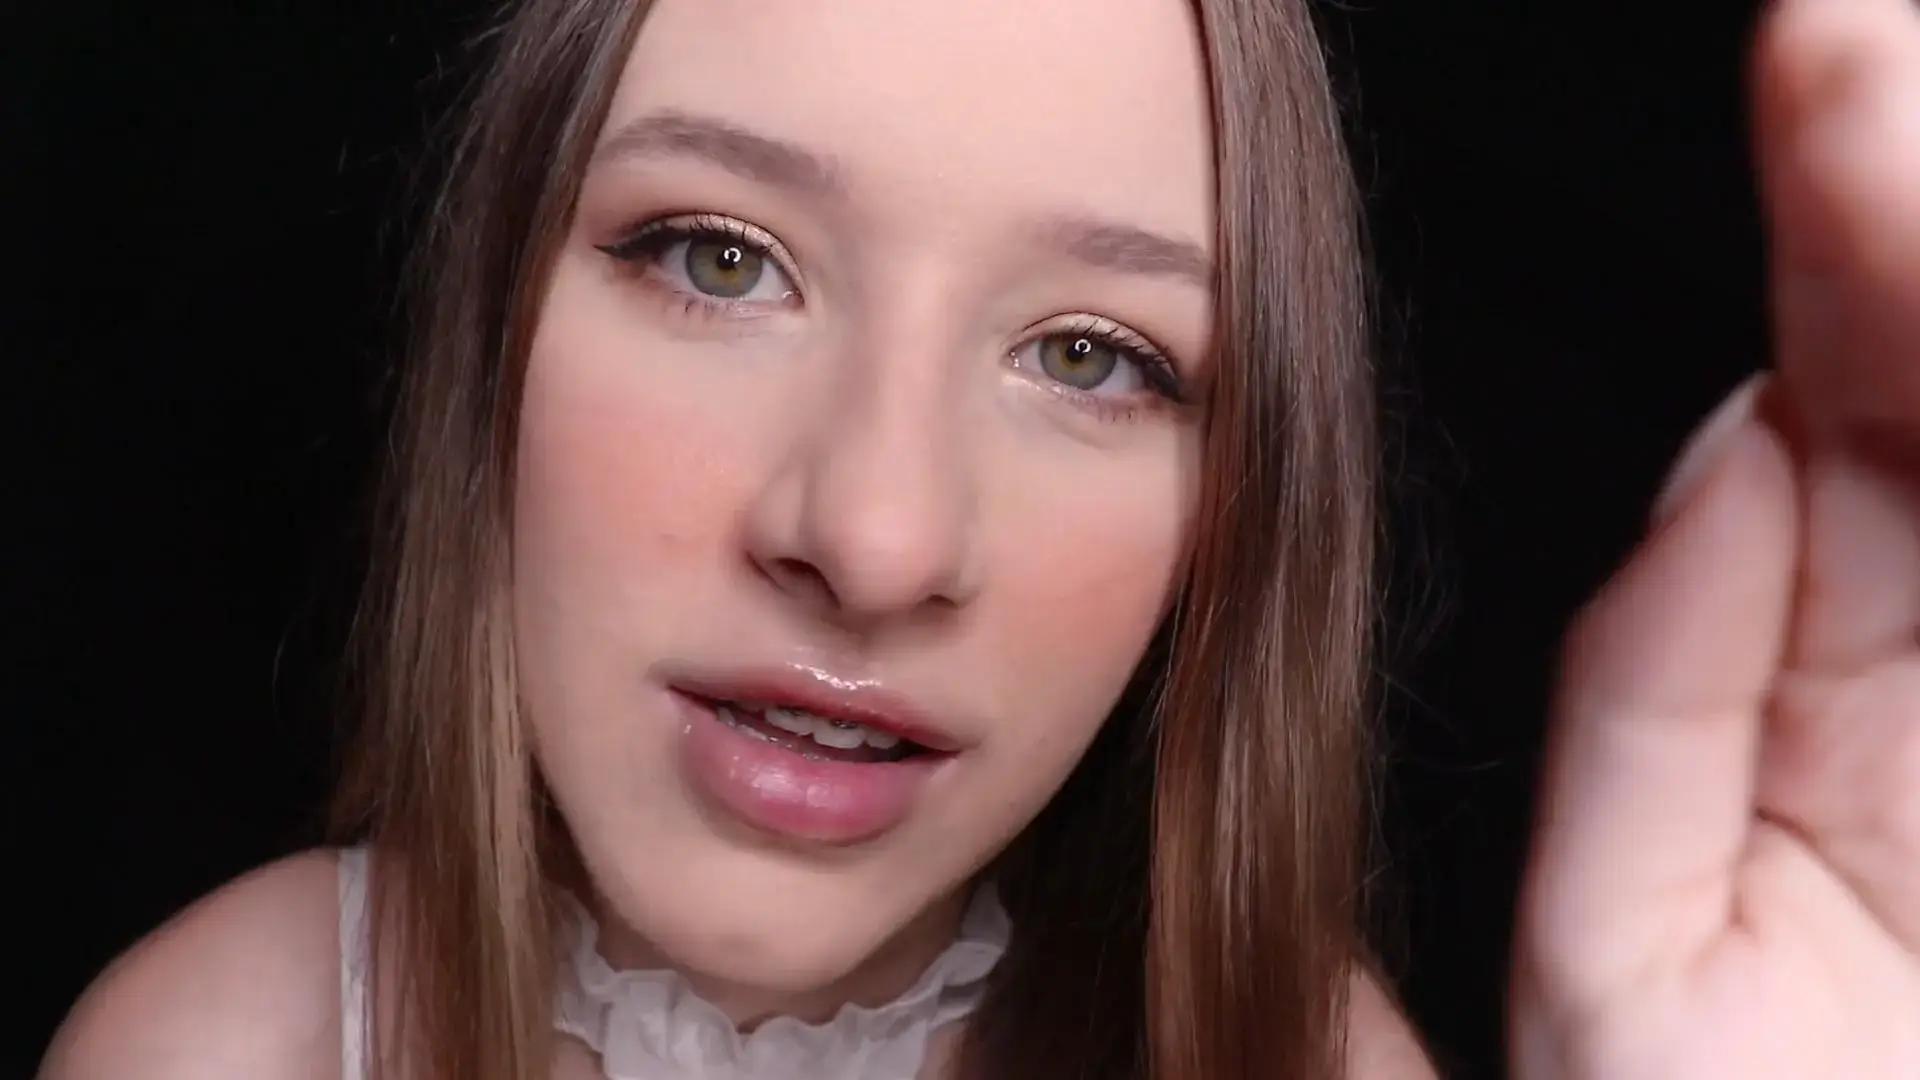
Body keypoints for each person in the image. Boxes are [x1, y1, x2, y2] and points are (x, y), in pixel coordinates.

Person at [34, 0, 1920, 1076]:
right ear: (488, 329)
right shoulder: (218, 1047)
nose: (874, 538)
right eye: (718, 259)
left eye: (1092, 357)